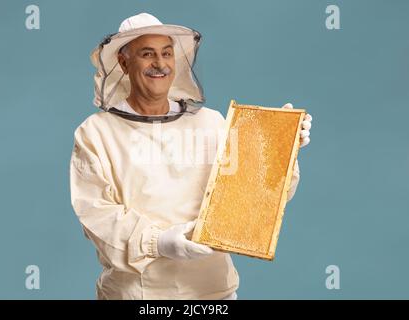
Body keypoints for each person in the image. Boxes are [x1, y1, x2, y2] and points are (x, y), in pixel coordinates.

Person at [70, 12, 312, 300]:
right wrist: (158, 242)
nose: (160, 64)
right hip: (139, 296)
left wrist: (279, 152)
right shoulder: (96, 133)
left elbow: (251, 198)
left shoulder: (210, 123)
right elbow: (96, 214)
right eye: (147, 54)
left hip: (214, 293)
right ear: (124, 62)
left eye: (167, 53)